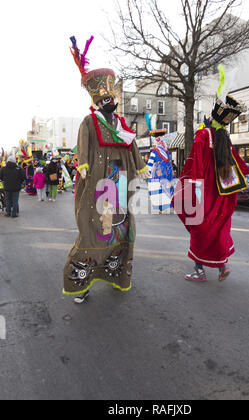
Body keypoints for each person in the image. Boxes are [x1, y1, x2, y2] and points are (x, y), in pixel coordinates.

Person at [63, 35, 148, 304]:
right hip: (99, 186)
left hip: (120, 186)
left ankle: (117, 275)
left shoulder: (122, 125)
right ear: (98, 101)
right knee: (94, 233)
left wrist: (141, 166)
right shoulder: (90, 122)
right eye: (106, 97)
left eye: (113, 96)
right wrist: (84, 165)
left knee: (122, 232)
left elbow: (132, 146)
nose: (110, 100)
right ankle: (82, 284)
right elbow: (83, 146)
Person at [173, 77, 249, 283]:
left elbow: (197, 163)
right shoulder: (223, 137)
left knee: (200, 229)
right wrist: (247, 172)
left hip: (207, 190)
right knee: (217, 229)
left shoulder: (203, 135)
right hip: (223, 193)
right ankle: (222, 267)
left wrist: (195, 187)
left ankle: (199, 271)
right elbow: (234, 158)